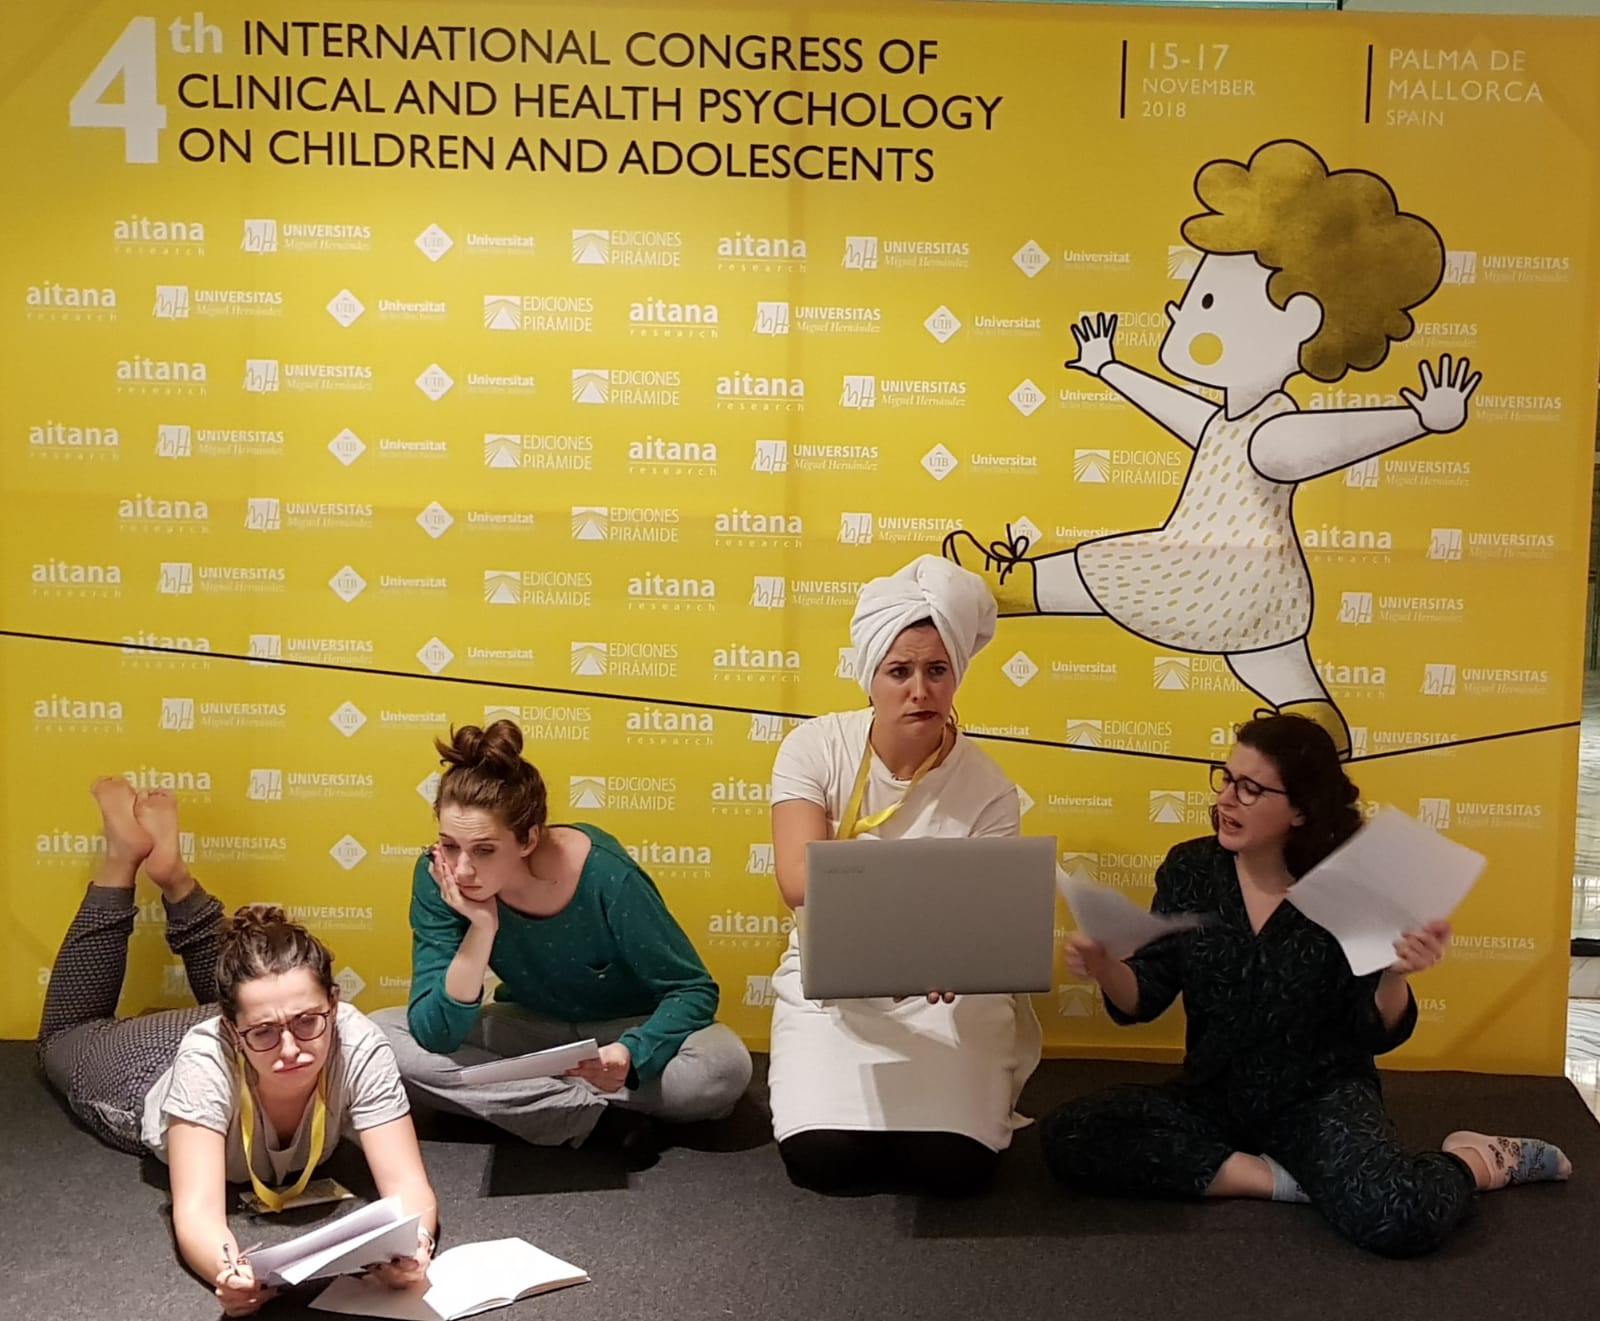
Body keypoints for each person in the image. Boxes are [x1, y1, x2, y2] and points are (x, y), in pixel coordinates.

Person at [944, 139, 1482, 760]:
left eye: (1206, 301)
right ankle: (1318, 725)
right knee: (1276, 664)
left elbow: (1324, 442)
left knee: (1113, 567)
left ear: (1300, 319)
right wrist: (1110, 367)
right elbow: (1190, 416)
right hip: (1267, 594)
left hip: (1215, 577)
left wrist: (1419, 420)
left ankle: (1015, 586)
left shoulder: (1271, 435)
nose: (1179, 310)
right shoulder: (1237, 421)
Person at [1038, 715, 1572, 1257]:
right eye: (1226, 779)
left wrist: (1393, 974)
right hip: (1213, 1096)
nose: (1226, 799)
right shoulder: (1192, 867)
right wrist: (1106, 966)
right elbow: (1146, 996)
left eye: (1251, 788)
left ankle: (1474, 1161)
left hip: (1317, 1100)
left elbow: (1376, 1031)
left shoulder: (1353, 886)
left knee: (1397, 1218)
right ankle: (1278, 1180)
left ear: (1300, 808)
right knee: (1071, 1135)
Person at [38, 777, 438, 1318]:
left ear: (334, 1003)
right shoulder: (207, 1056)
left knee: (249, 980)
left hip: (233, 1024)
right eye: (267, 1033)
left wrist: (416, 1248)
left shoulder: (356, 1037)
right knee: (63, 1036)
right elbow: (197, 1213)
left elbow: (409, 1185)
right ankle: (121, 860)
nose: (291, 1049)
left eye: (309, 1022)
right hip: (148, 1067)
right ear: (232, 1032)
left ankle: (174, 877)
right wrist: (228, 1273)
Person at [766, 554, 1042, 1197]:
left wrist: (945, 957)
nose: (920, 690)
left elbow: (987, 922)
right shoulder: (814, 748)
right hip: (833, 982)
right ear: (871, 678)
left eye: (937, 670)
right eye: (900, 671)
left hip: (948, 991)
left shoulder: (992, 789)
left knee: (953, 1168)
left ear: (955, 677)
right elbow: (799, 883)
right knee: (822, 1162)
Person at [373, 720, 752, 1169]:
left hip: (621, 1030)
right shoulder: (436, 878)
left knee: (723, 1066)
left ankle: (517, 1100)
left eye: (485, 850)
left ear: (529, 839)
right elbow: (436, 1032)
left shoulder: (605, 874)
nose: (462, 869)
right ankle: (587, 1117)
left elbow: (692, 990)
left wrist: (632, 1053)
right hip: (531, 1028)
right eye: (449, 845)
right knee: (381, 1038)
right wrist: (481, 929)